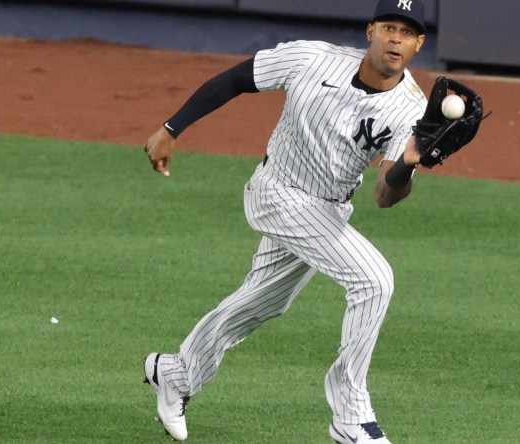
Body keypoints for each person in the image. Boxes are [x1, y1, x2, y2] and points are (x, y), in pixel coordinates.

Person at [142, 1, 429, 442]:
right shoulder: (311, 58)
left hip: (329, 209)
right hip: (276, 192)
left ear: (418, 44)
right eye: (389, 26)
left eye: (407, 32)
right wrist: (171, 128)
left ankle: (176, 373)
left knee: (264, 302)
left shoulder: (410, 108)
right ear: (370, 31)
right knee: (374, 279)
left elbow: (384, 196)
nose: (396, 38)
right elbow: (237, 78)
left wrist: (409, 164)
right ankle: (350, 415)